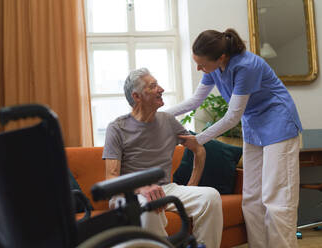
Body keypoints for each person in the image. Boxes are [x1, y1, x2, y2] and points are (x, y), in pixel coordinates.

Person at [165, 28, 302, 248]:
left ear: (221, 57)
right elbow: (194, 102)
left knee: (276, 200)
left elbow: (231, 117)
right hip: (254, 128)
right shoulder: (213, 66)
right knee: (251, 199)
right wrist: (159, 115)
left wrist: (198, 139)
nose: (199, 68)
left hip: (279, 125)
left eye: (202, 64)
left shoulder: (246, 66)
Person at [102, 68, 223, 248]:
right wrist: (141, 188)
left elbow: (199, 149)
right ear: (137, 96)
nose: (161, 89)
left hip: (165, 188)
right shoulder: (117, 128)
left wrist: (192, 184)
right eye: (153, 86)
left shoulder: (168, 120)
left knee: (210, 197)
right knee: (148, 208)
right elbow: (111, 179)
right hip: (128, 194)